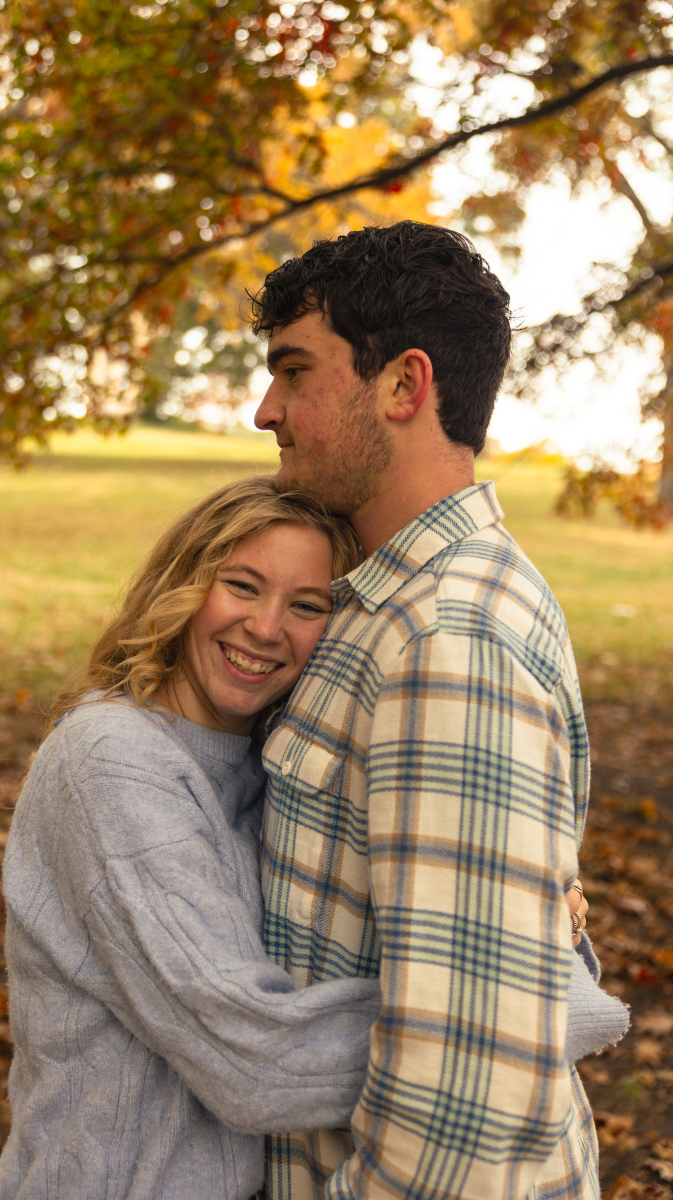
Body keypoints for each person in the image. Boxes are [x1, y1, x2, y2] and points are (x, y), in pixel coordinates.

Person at [251, 221, 628, 1200]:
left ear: (403, 385)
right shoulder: (387, 605)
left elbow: (458, 1123)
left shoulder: (448, 643)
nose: (264, 410)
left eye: (294, 372)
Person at [0, 477, 384, 1200]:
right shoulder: (111, 760)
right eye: (242, 586)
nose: (266, 627)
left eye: (307, 605)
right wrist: (512, 1011)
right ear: (184, 585)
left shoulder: (268, 770)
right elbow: (259, 1065)